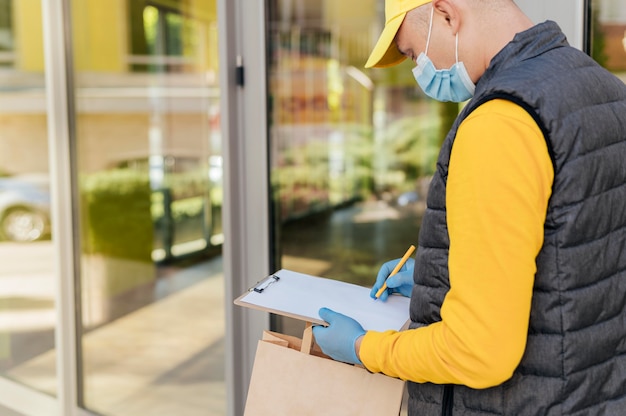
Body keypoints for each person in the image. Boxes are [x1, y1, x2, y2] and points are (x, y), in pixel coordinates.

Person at [312, 0, 626, 414]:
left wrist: (362, 347)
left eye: (412, 52)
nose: (418, 67)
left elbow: (479, 351)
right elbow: (575, 260)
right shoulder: (602, 90)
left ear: (446, 14)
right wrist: (433, 278)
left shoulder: (500, 122)